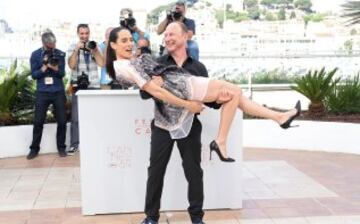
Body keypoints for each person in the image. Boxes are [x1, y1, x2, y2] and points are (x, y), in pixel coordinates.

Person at [106, 23, 301, 163]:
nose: (129, 44)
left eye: (130, 39)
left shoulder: (128, 63)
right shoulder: (125, 66)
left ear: (186, 37)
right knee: (235, 91)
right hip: (182, 86)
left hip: (182, 83)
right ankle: (223, 140)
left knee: (234, 94)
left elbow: (154, 81)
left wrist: (215, 100)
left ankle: (279, 117)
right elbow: (156, 92)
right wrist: (187, 104)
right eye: (123, 41)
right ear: (112, 44)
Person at [133, 24, 223, 224]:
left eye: (172, 34)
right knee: (155, 171)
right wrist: (152, 83)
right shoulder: (157, 64)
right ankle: (151, 218)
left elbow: (209, 100)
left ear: (186, 36)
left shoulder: (198, 68)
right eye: (165, 35)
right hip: (162, 125)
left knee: (194, 172)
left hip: (190, 126)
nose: (167, 38)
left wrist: (221, 99)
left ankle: (197, 220)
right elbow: (145, 95)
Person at [27, 31, 67, 160]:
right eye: (50, 45)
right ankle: (34, 149)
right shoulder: (35, 55)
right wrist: (43, 68)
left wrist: (55, 68)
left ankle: (61, 148)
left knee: (62, 121)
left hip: (58, 91)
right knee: (38, 122)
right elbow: (34, 75)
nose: (53, 47)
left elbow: (62, 74)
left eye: (54, 44)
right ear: (44, 43)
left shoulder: (60, 54)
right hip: (42, 92)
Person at [67, 24, 104, 155]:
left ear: (89, 33)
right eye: (82, 34)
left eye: (86, 33)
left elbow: (102, 64)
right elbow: (71, 65)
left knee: (95, 116)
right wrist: (76, 50)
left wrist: (95, 51)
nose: (84, 36)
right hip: (78, 86)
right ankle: (74, 144)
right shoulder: (72, 46)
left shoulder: (94, 46)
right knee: (76, 118)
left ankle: (96, 143)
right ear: (78, 34)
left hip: (94, 85)